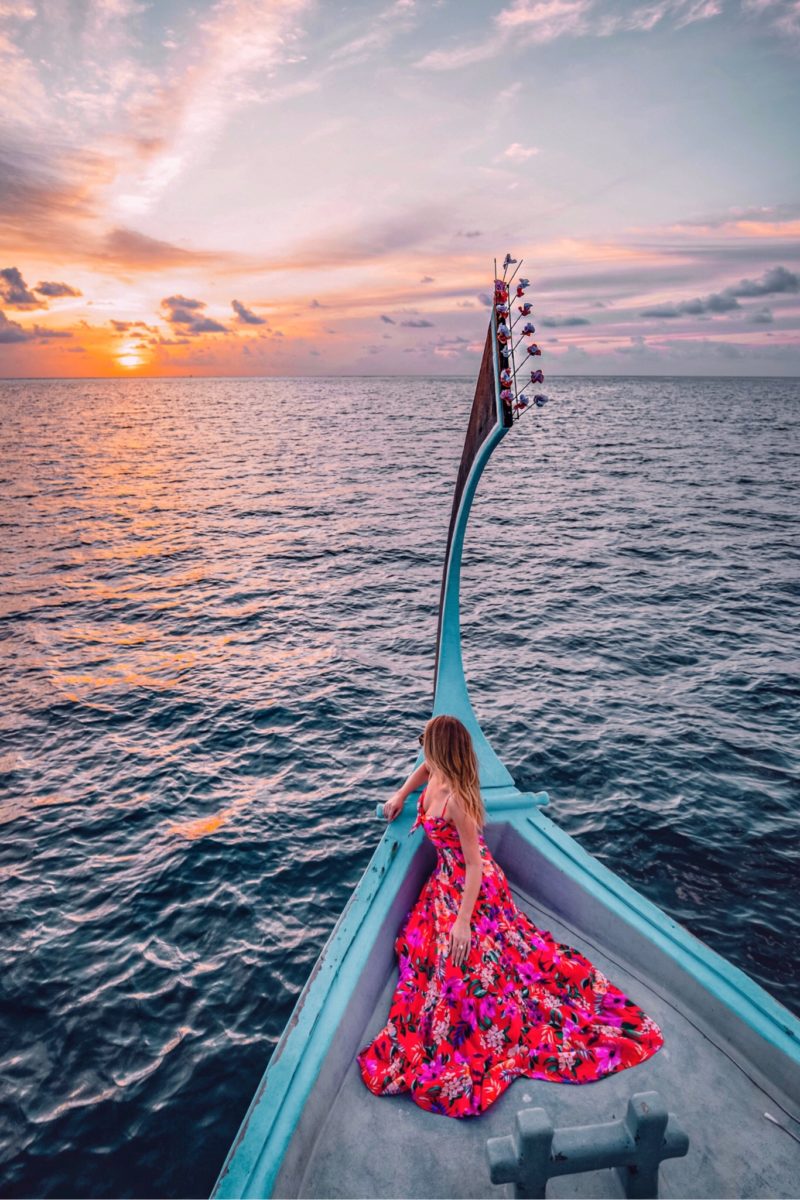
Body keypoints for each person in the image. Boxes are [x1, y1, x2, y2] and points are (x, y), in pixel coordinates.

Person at [356, 714, 664, 1118]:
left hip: (471, 887)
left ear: (441, 751)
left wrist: (463, 920)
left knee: (464, 975)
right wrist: (399, 795)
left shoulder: (459, 804)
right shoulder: (436, 772)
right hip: (445, 882)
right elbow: (424, 768)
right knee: (421, 948)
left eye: (425, 742)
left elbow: (475, 866)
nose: (422, 751)